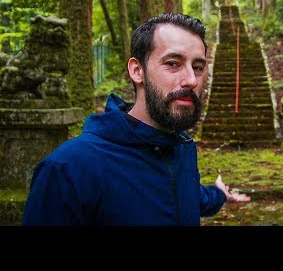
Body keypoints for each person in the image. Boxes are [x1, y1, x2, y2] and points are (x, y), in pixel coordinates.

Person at [22, 13, 250, 226]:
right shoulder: (67, 170)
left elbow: (182, 194)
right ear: (137, 70)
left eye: (198, 67)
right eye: (173, 63)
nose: (191, 79)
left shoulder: (181, 148)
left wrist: (219, 194)